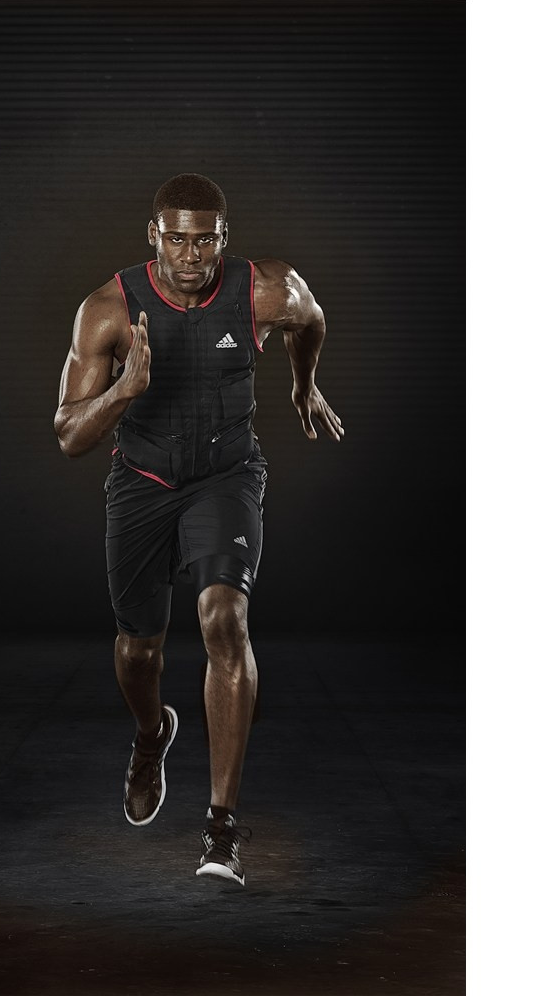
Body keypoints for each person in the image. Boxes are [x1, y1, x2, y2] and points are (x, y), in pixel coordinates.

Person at [54, 173, 342, 887]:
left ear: (223, 238)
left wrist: (303, 383)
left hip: (226, 476)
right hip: (142, 484)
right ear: (154, 235)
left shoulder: (265, 290)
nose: (191, 255)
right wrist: (125, 390)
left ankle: (221, 827)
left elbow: (312, 319)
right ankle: (152, 734)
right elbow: (68, 436)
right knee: (138, 652)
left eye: (205, 240)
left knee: (224, 620)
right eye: (177, 239)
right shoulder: (107, 310)